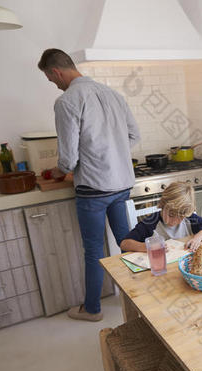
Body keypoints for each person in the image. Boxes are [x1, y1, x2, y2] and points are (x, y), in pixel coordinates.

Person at [38, 48, 140, 322]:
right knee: (126, 242)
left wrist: (57, 172)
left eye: (51, 79)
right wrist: (112, 153)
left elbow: (68, 159)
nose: (54, 85)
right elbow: (134, 135)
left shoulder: (67, 100)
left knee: (94, 250)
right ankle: (142, 298)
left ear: (56, 71)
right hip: (121, 185)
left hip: (93, 190)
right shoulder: (113, 95)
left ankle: (92, 309)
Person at [120, 182, 202, 251]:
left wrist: (197, 238)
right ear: (162, 204)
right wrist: (147, 246)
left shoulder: (189, 219)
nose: (174, 221)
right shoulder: (151, 223)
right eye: (171, 215)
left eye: (180, 217)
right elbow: (124, 244)